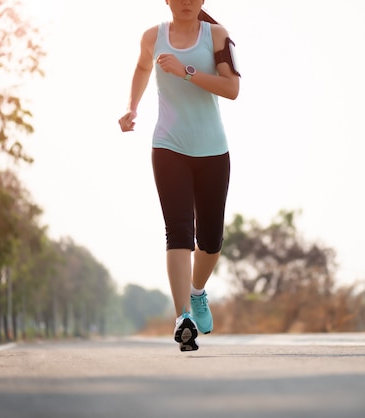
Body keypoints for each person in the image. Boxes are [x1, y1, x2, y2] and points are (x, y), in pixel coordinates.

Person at [118, 0, 240, 351]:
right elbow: (142, 68)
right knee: (179, 230)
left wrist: (186, 71)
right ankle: (183, 317)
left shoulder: (216, 35)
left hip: (213, 150)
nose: (186, 2)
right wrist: (131, 108)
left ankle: (197, 291)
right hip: (169, 145)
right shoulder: (152, 36)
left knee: (211, 241)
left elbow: (231, 89)